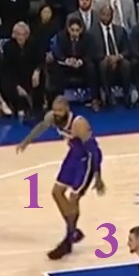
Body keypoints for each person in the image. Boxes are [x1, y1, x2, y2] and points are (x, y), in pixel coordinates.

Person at [15, 101, 107, 259]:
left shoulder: (79, 123)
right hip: (73, 156)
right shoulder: (52, 117)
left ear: (67, 110)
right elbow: (41, 127)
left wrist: (98, 176)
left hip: (87, 159)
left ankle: (68, 241)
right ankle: (73, 231)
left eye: (60, 110)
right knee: (56, 192)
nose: (57, 113)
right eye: (55, 110)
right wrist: (26, 141)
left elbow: (94, 151)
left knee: (73, 198)